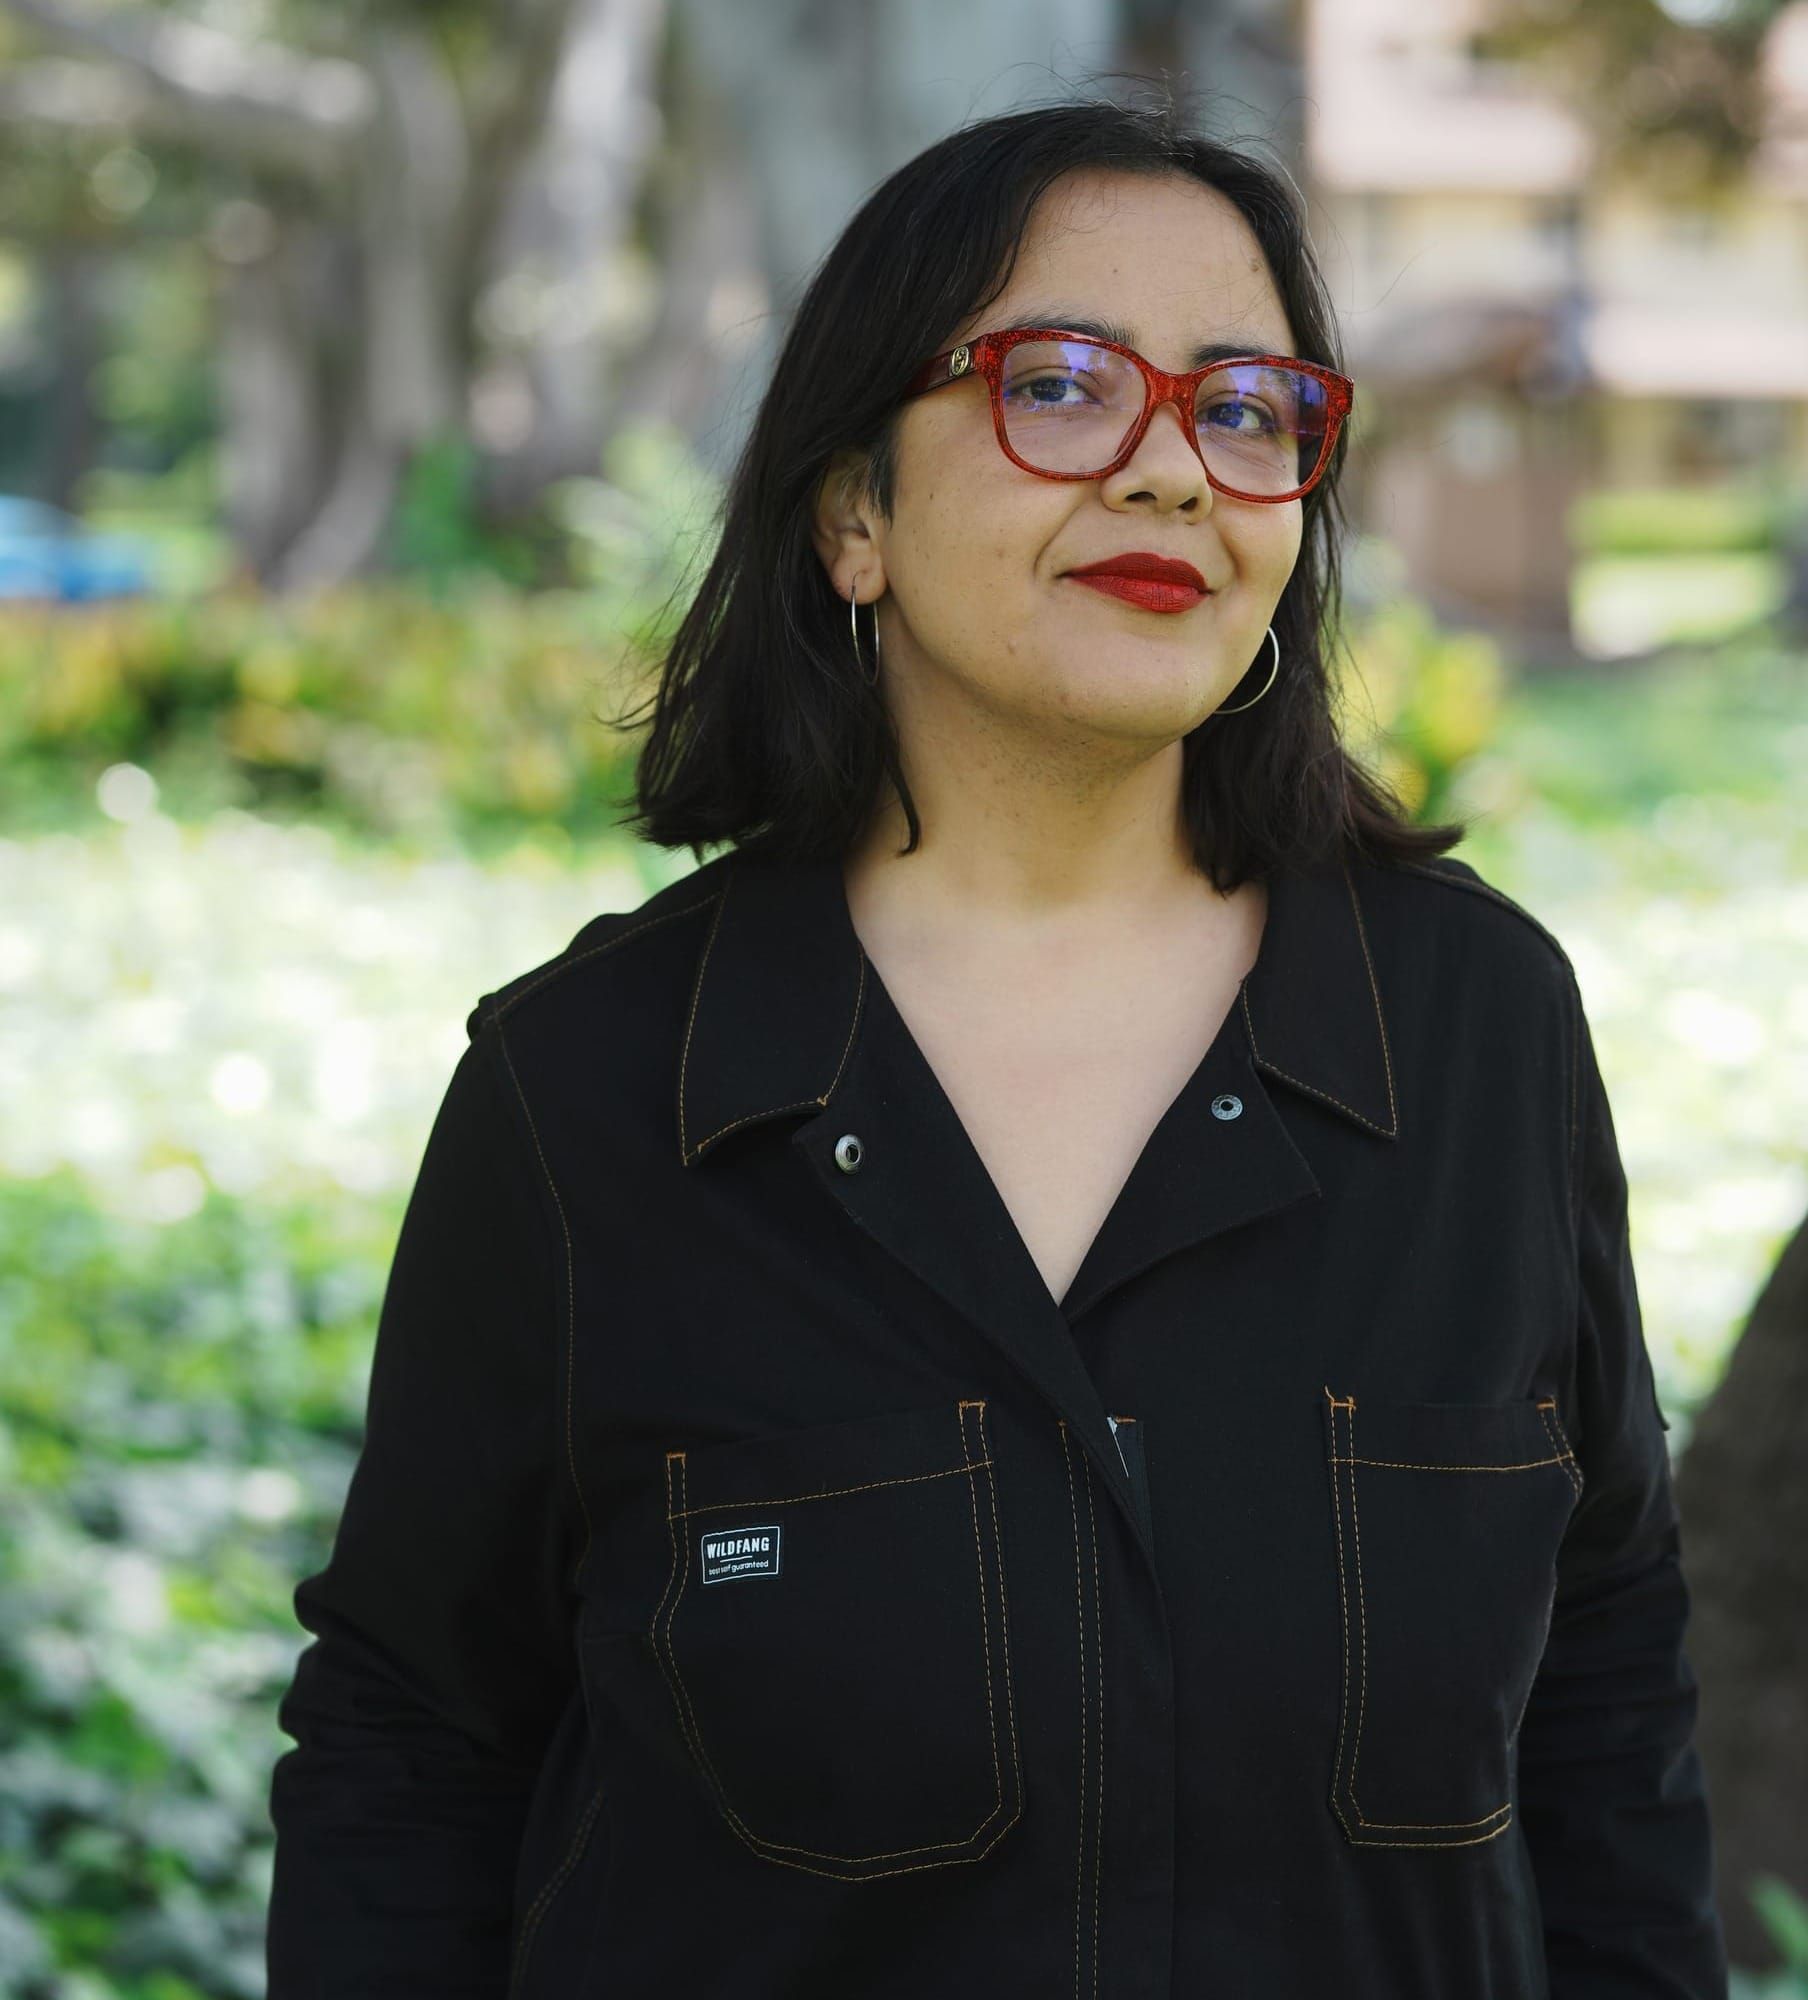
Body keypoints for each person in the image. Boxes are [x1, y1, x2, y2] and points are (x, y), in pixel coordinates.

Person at [266, 94, 1729, 1999]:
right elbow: (412, 1748)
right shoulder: (594, 1091)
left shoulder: (1479, 1031)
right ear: (851, 513)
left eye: (1246, 408)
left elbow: (1604, 1684)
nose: (1173, 472)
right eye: (1058, 385)